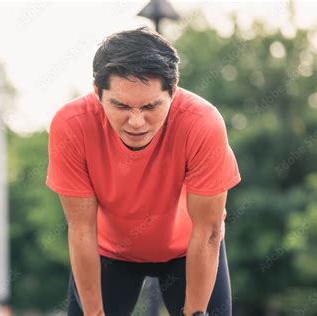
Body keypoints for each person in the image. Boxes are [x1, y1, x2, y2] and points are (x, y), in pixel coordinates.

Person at [46, 27, 241, 316]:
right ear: (98, 92)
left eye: (150, 106)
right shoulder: (71, 125)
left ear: (173, 91)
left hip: (190, 247)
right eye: (121, 105)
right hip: (110, 252)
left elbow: (209, 231)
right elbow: (81, 229)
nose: (136, 122)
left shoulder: (202, 122)